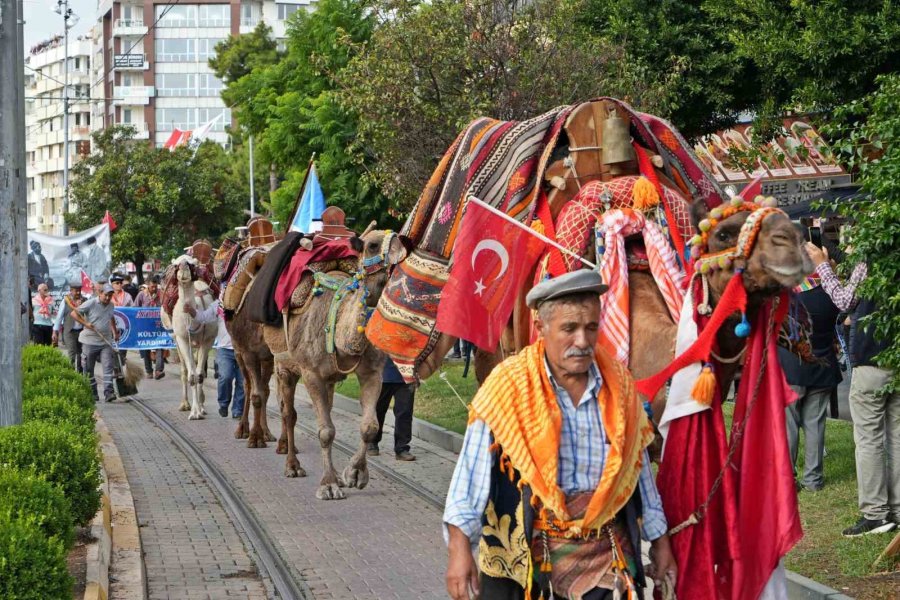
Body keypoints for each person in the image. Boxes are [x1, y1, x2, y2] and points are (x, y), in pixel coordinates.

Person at [444, 270, 675, 600]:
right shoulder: (507, 386)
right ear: (541, 328)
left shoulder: (620, 387)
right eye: (569, 328)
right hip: (528, 563)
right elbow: (470, 478)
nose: (582, 341)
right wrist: (459, 548)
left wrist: (660, 541)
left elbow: (638, 474)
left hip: (607, 559)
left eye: (591, 328)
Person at [807, 242, 898, 536]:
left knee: (869, 438)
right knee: (897, 436)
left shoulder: (873, 253)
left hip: (871, 359)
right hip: (895, 358)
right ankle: (897, 509)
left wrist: (822, 264)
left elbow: (845, 300)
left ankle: (875, 514)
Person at [779, 242, 842, 492]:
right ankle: (813, 480)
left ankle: (787, 479)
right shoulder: (830, 294)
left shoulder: (786, 296)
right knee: (815, 424)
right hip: (823, 366)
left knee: (789, 424)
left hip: (792, 367)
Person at [183, 299, 244, 419]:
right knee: (225, 377)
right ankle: (223, 403)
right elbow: (204, 317)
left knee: (243, 382)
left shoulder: (246, 299)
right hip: (225, 349)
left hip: (243, 350)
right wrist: (191, 311)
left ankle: (238, 410)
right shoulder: (220, 303)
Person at [71, 283, 119, 402]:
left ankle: (109, 392)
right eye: (106, 295)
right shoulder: (91, 303)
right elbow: (74, 313)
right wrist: (86, 323)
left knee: (108, 366)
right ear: (100, 293)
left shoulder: (111, 305)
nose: (108, 298)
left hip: (105, 341)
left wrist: (115, 331)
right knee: (88, 368)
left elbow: (111, 317)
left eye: (110, 296)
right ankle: (93, 393)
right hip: (89, 341)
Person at [369, 358, 416, 461]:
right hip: (382, 374)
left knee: (405, 412)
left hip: (407, 374)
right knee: (378, 410)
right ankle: (372, 441)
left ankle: (401, 448)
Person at [52, 280, 85, 372]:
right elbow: (59, 317)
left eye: (79, 290)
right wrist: (55, 332)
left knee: (81, 354)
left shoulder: (85, 301)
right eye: (76, 290)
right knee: (71, 353)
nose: (78, 292)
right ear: (71, 290)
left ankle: (80, 373)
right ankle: (70, 373)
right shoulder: (66, 301)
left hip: (82, 331)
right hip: (69, 331)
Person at [136, 276, 165, 379]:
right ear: (148, 285)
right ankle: (149, 370)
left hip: (158, 325)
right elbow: (135, 309)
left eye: (155, 286)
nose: (154, 288)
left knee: (160, 346)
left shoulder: (161, 294)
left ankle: (158, 370)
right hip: (145, 326)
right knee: (146, 347)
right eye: (152, 286)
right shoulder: (141, 295)